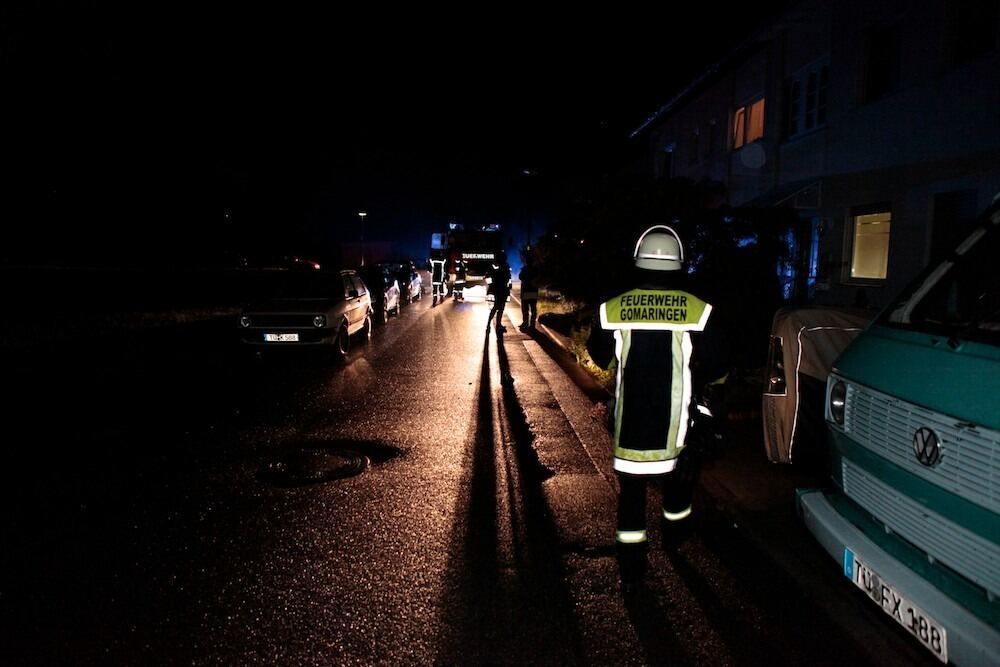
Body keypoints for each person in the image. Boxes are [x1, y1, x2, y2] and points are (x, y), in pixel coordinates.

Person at [586, 225, 728, 593]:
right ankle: (675, 540)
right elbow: (717, 368)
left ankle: (632, 573)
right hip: (678, 432)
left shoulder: (611, 308)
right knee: (678, 491)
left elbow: (599, 357)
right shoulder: (700, 311)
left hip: (630, 430)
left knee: (631, 502)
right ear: (680, 264)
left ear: (638, 261)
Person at [485, 255, 512, 334]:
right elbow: (488, 275)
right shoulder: (499, 265)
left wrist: (492, 286)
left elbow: (508, 276)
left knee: (499, 307)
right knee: (498, 307)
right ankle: (494, 324)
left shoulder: (503, 265)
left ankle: (497, 324)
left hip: (501, 288)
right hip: (500, 289)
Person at [518, 255, 539, 330]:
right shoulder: (536, 270)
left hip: (525, 292)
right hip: (533, 292)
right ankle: (532, 325)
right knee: (533, 309)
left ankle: (525, 323)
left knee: (525, 309)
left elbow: (520, 277)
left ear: (526, 262)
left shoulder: (524, 269)